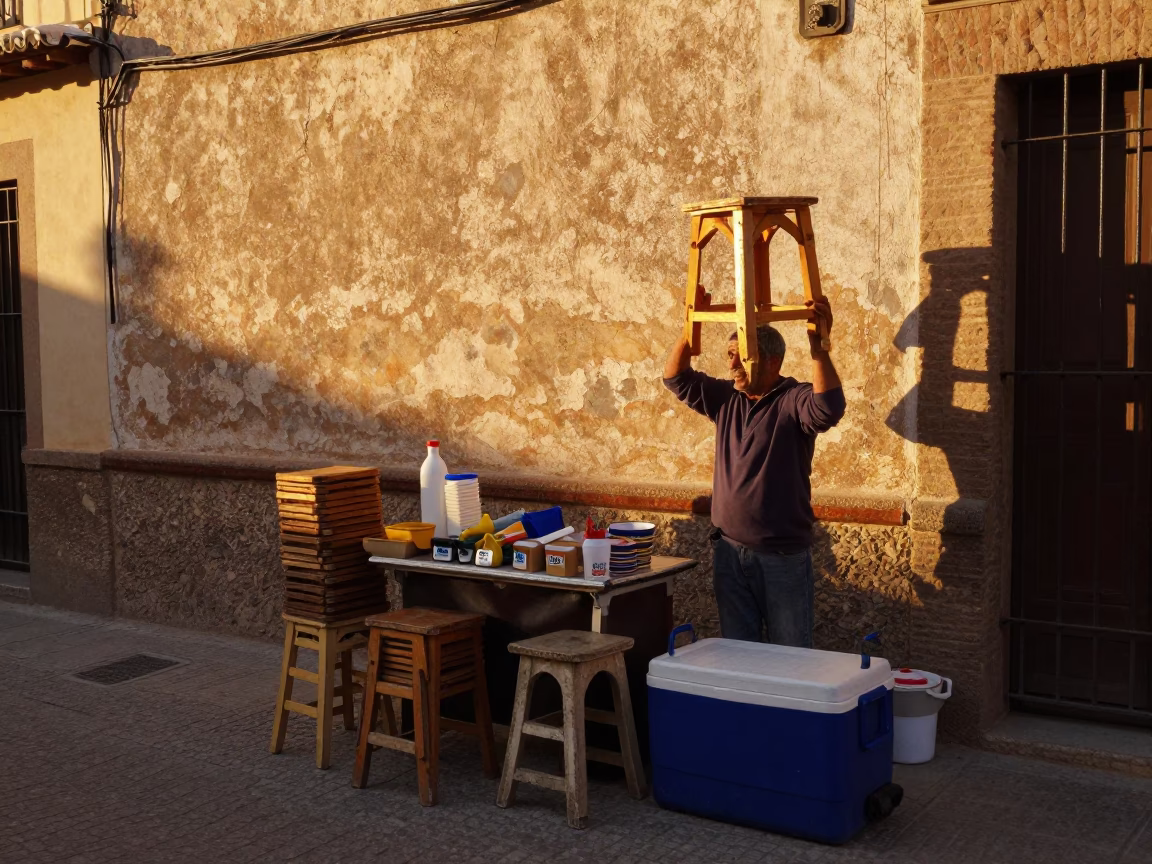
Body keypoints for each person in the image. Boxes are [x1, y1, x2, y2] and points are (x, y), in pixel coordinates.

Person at [663, 298, 844, 647]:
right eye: (729, 354)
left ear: (772, 361)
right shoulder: (726, 398)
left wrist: (819, 350)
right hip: (729, 554)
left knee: (790, 657)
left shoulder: (793, 399)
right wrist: (690, 329)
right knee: (738, 655)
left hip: (781, 559)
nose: (731, 364)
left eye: (739, 354)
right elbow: (675, 378)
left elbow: (828, 408)